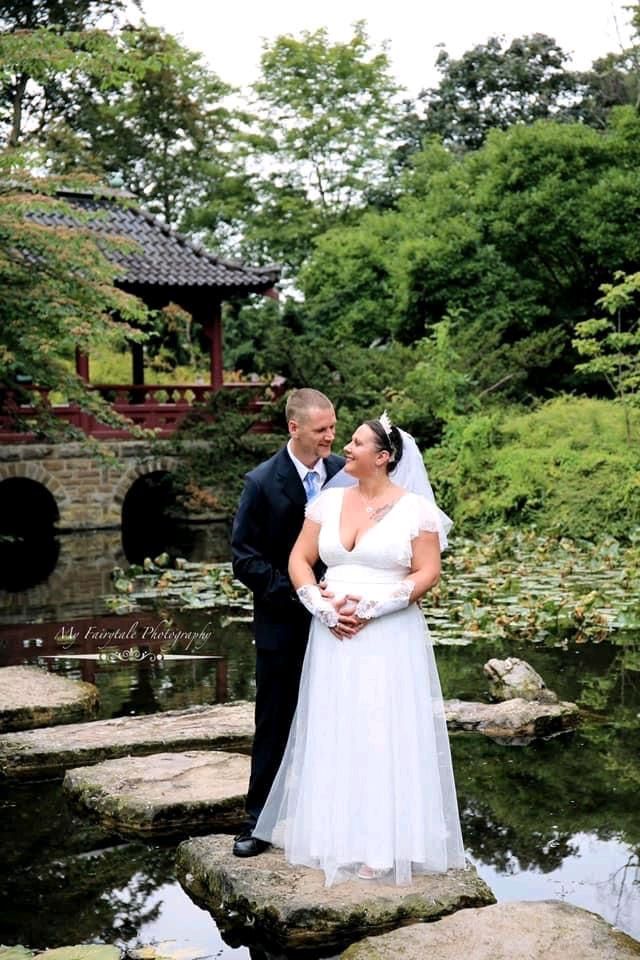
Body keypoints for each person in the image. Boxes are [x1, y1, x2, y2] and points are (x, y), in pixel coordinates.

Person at [252, 413, 466, 885]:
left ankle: (383, 844)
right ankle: (335, 835)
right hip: (333, 636)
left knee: (379, 728)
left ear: (383, 458)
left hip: (388, 636)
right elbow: (299, 558)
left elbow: (427, 572)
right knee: (336, 725)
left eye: (356, 442)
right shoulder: (328, 502)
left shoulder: (416, 511)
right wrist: (318, 605)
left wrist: (373, 607)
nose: (344, 448)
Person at [230, 388, 345, 857]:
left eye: (334, 428)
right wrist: (302, 595)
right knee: (275, 722)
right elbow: (245, 560)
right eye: (321, 430)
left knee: (340, 720)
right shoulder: (261, 483)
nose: (330, 437)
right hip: (284, 623)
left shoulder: (344, 472)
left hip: (343, 620)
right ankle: (258, 821)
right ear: (294, 428)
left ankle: (337, 818)